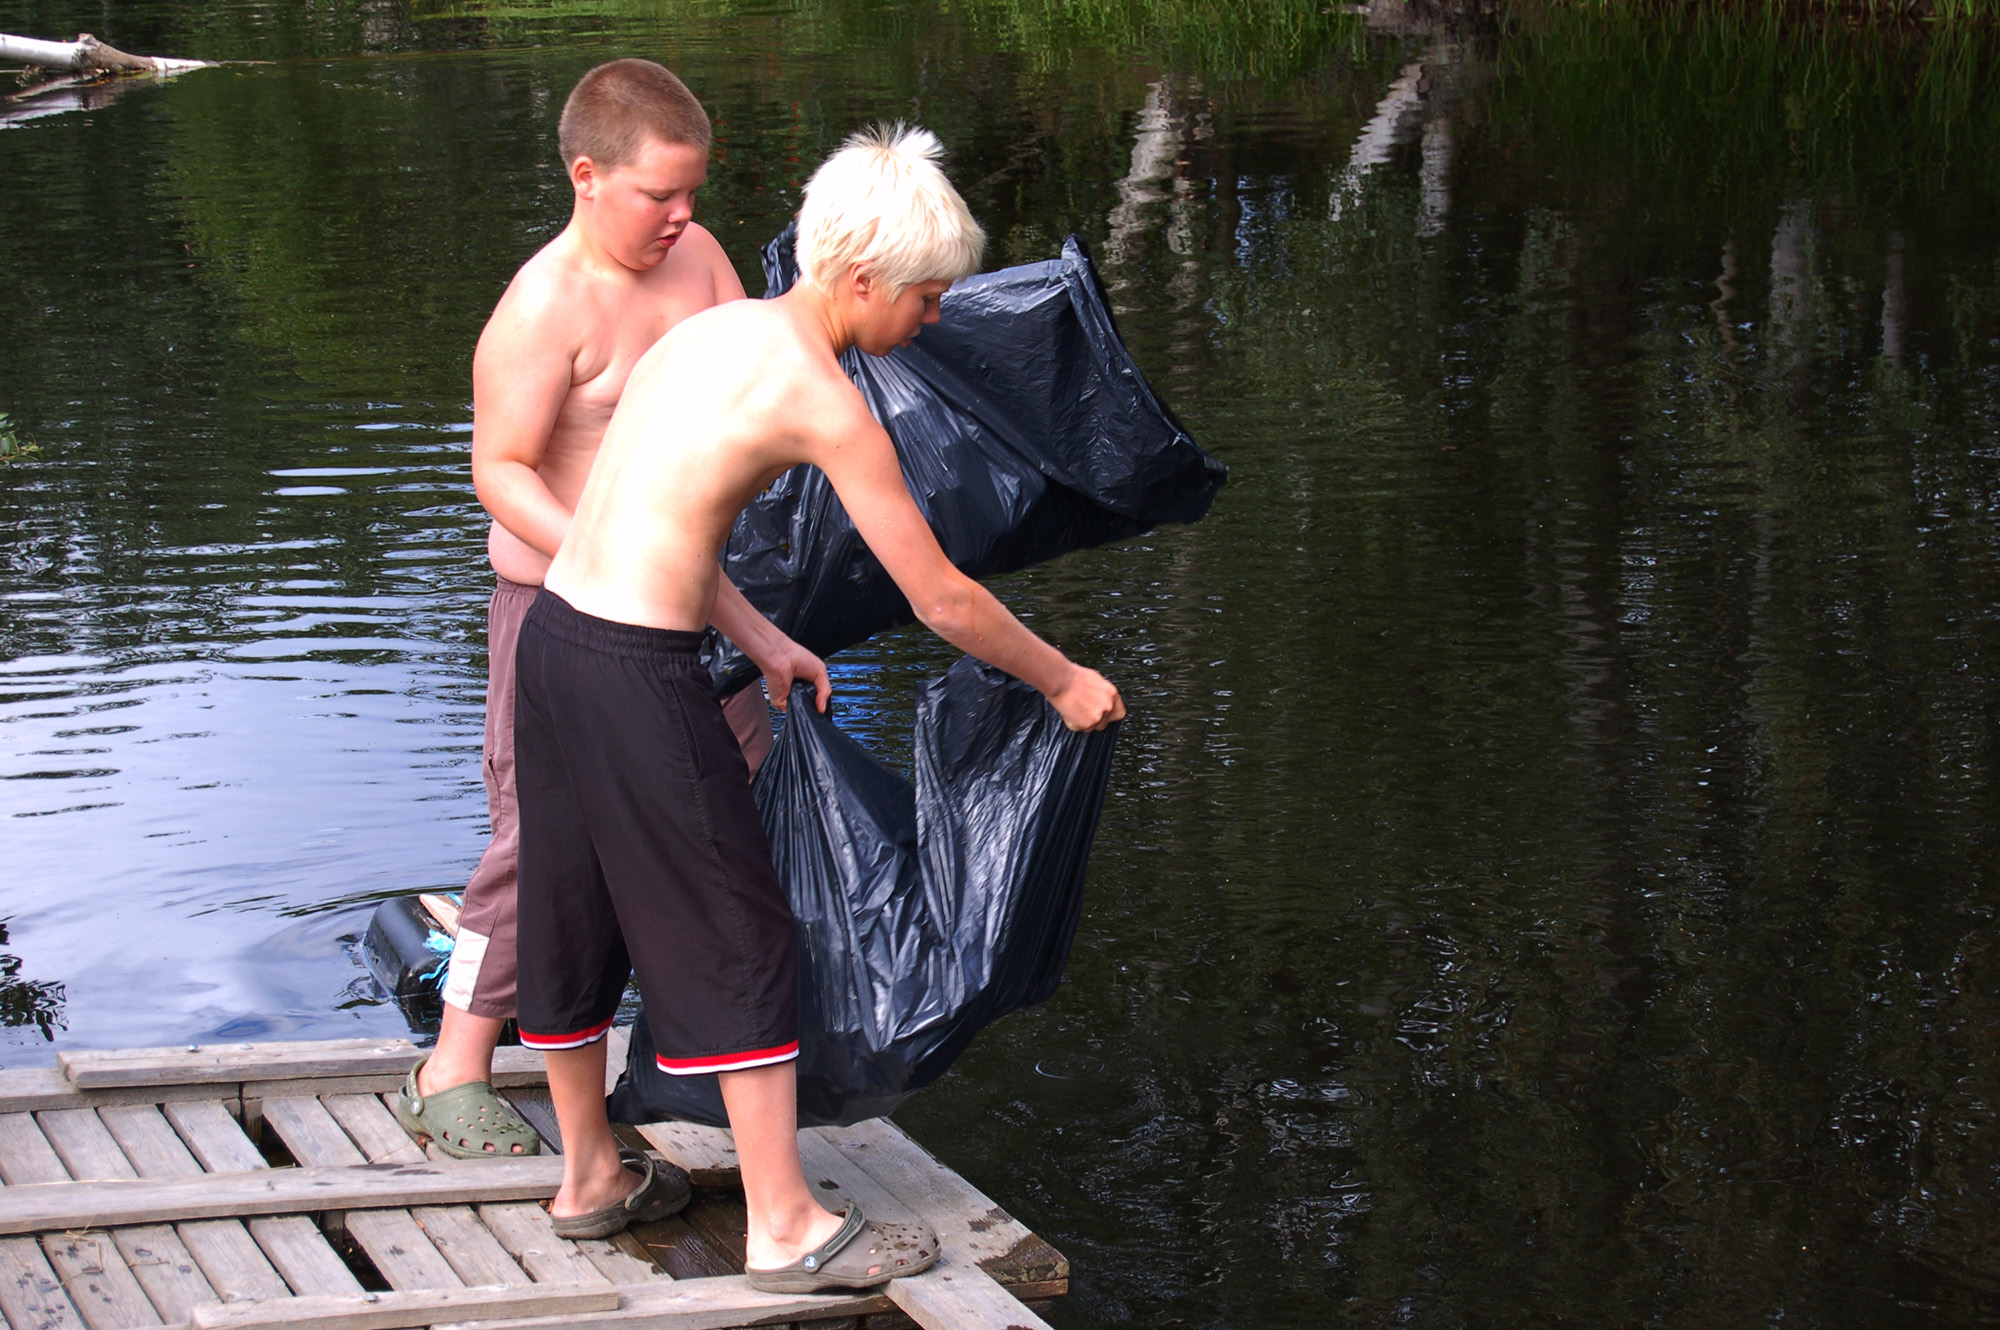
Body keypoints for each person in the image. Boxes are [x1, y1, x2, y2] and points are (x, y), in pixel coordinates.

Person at [511, 124, 1125, 1288]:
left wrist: (759, 635)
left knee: (572, 907)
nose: (934, 320)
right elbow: (939, 595)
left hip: (558, 643)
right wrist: (1063, 680)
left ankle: (588, 1174)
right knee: (741, 927)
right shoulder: (823, 400)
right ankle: (783, 1226)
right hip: (636, 670)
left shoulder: (709, 332)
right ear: (857, 282)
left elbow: (656, 515)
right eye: (927, 299)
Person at [395, 58, 828, 1164]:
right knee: (540, 835)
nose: (681, 217)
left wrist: (762, 629)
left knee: (724, 815)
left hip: (683, 610)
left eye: (693, 194)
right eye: (657, 196)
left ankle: (704, 1057)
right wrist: (603, 549)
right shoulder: (543, 305)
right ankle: (450, 1065)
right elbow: (499, 471)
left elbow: (753, 391)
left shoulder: (700, 262)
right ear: (587, 176)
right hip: (554, 613)